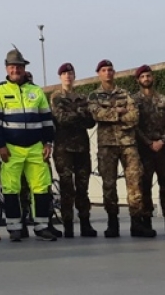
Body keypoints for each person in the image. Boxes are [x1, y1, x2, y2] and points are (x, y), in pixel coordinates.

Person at [0, 47, 56, 243]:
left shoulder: (36, 91)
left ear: (24, 68)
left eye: (18, 67)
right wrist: (0, 146)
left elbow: (46, 120)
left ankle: (42, 226)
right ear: (6, 69)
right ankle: (15, 228)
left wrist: (48, 143)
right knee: (11, 189)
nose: (15, 70)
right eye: (12, 67)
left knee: (41, 187)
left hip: (36, 147)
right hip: (11, 148)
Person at [87, 59, 151, 238]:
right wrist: (119, 112)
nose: (107, 73)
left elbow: (134, 116)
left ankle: (136, 222)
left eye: (110, 70)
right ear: (99, 74)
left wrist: (112, 115)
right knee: (109, 184)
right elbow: (96, 114)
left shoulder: (124, 93)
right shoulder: (94, 96)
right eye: (104, 70)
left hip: (128, 144)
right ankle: (112, 222)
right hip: (107, 146)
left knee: (135, 182)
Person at [132, 64, 165, 237]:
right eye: (143, 76)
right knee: (144, 187)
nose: (146, 79)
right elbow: (134, 126)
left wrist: (162, 140)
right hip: (144, 150)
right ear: (138, 80)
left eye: (148, 76)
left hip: (163, 149)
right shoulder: (134, 102)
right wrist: (149, 143)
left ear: (152, 78)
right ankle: (146, 222)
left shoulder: (164, 100)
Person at [50, 62, 96, 238]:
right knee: (67, 187)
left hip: (82, 148)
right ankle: (68, 225)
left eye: (70, 73)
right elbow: (61, 119)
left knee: (83, 188)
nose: (68, 76)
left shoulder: (83, 97)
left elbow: (91, 122)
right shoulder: (56, 97)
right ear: (60, 77)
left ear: (74, 76)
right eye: (64, 73)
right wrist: (80, 114)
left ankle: (85, 223)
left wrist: (76, 113)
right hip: (64, 149)